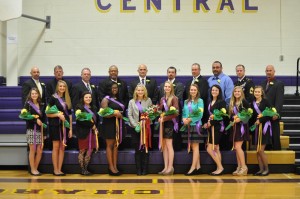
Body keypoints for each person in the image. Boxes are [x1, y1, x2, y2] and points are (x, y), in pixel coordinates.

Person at [46, 80, 72, 176]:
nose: (62, 88)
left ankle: (59, 169)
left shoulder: (67, 99)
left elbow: (69, 115)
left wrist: (71, 129)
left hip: (64, 126)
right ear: (58, 87)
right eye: (60, 86)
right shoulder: (53, 98)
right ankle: (55, 169)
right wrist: (57, 114)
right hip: (55, 126)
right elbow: (47, 114)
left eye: (64, 87)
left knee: (62, 148)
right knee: (56, 147)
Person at [100, 82, 126, 176]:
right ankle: (110, 167)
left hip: (118, 124)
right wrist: (115, 114)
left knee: (116, 145)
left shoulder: (118, 98)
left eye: (116, 88)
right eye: (113, 88)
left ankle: (115, 166)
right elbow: (103, 114)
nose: (115, 89)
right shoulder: (106, 99)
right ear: (109, 89)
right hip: (109, 125)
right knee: (110, 145)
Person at [128, 84, 152, 175]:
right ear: (136, 91)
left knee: (145, 149)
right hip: (135, 129)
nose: (140, 92)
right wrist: (135, 125)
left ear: (144, 91)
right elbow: (129, 115)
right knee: (137, 150)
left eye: (142, 90)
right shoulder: (131, 101)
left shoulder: (148, 100)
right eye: (138, 90)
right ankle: (138, 169)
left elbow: (151, 114)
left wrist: (145, 123)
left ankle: (145, 169)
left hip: (146, 127)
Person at [159, 66, 185, 151]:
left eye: (172, 72)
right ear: (167, 73)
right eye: (169, 72)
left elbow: (179, 97)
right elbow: (162, 98)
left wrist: (169, 107)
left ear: (175, 74)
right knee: (166, 142)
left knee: (174, 136)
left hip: (174, 113)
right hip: (165, 115)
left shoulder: (179, 84)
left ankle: (176, 150)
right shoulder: (163, 85)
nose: (170, 73)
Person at [22, 88, 46, 176]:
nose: (34, 95)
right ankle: (32, 169)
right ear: (30, 95)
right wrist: (35, 121)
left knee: (40, 150)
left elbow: (44, 119)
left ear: (38, 94)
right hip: (31, 129)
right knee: (32, 149)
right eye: (32, 94)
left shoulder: (42, 104)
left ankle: (35, 168)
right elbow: (25, 117)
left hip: (40, 130)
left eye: (36, 93)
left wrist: (45, 133)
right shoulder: (27, 104)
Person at [203, 84, 226, 176]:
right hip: (211, 127)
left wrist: (210, 123)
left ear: (219, 92)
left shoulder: (221, 102)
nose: (214, 92)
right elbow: (209, 116)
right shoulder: (210, 101)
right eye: (213, 90)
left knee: (209, 148)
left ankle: (220, 167)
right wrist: (206, 123)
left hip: (218, 127)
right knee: (216, 148)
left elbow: (221, 117)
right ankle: (218, 168)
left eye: (216, 90)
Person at [182, 84, 204, 175]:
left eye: (194, 90)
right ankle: (198, 167)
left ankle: (193, 168)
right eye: (191, 90)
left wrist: (190, 119)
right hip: (188, 125)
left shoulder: (200, 101)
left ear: (197, 91)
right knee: (192, 147)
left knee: (195, 147)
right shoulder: (186, 101)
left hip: (196, 125)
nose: (193, 91)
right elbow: (184, 113)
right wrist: (183, 119)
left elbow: (200, 114)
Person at [75, 91, 99, 176]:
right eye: (86, 97)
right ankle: (82, 169)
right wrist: (92, 125)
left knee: (90, 150)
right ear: (83, 98)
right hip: (83, 132)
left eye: (89, 97)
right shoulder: (79, 107)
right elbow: (80, 120)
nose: (88, 99)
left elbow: (97, 119)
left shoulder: (94, 107)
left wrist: (95, 127)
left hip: (92, 132)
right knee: (82, 150)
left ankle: (86, 168)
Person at [158, 81, 179, 175]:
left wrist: (164, 118)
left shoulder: (174, 98)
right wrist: (158, 114)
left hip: (170, 124)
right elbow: (160, 111)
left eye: (168, 87)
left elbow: (175, 113)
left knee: (169, 145)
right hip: (163, 124)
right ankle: (165, 167)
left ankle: (170, 167)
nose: (167, 88)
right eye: (165, 86)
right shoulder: (162, 98)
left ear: (171, 88)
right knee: (164, 146)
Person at [250, 86, 272, 176]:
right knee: (257, 150)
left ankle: (266, 169)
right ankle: (261, 169)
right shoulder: (252, 103)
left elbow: (270, 114)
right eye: (255, 92)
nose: (257, 93)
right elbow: (251, 116)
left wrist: (261, 120)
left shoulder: (266, 102)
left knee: (261, 150)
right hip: (256, 127)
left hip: (264, 127)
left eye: (258, 92)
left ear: (262, 93)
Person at [261, 65, 284, 150]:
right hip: (264, 115)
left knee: (275, 136)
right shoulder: (263, 83)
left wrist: (276, 113)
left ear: (274, 71)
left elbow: (279, 100)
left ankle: (277, 154)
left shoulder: (279, 84)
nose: (268, 72)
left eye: (270, 70)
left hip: (273, 115)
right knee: (266, 137)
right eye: (267, 70)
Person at [229, 86, 250, 176]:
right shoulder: (232, 103)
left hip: (241, 127)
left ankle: (244, 167)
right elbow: (231, 115)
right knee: (236, 148)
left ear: (241, 93)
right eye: (235, 91)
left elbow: (248, 114)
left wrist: (240, 119)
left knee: (238, 147)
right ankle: (239, 166)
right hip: (235, 126)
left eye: (238, 91)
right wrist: (232, 119)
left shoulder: (244, 102)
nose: (237, 93)